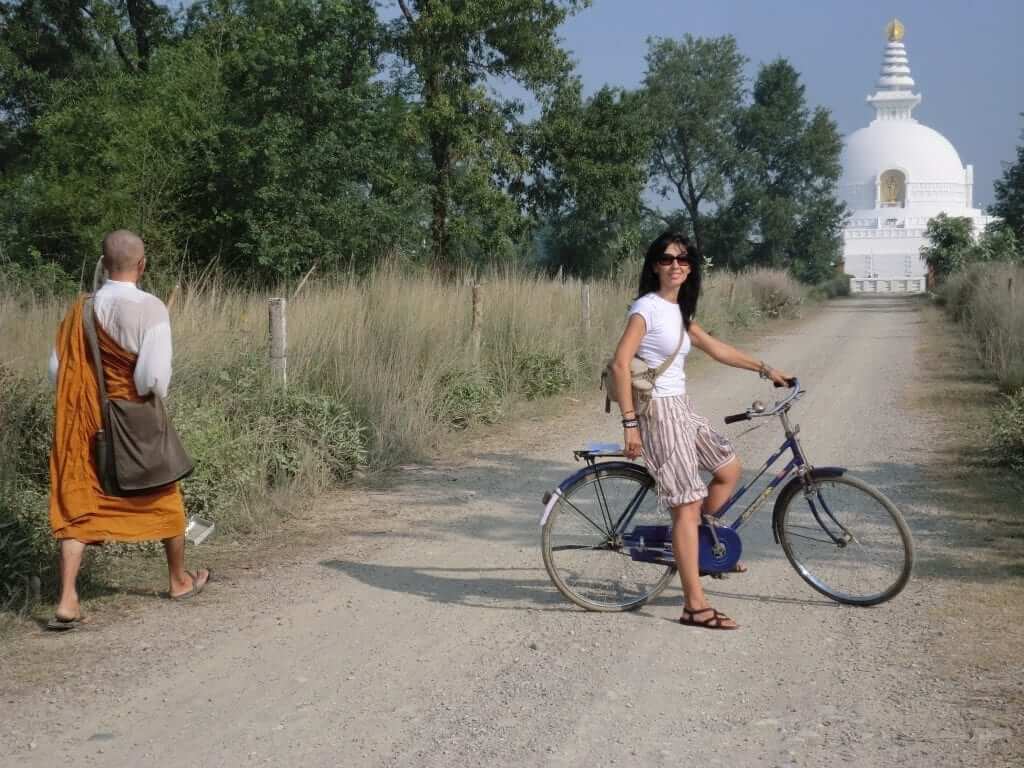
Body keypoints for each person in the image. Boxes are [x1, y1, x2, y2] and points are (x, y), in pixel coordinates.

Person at [610, 231, 791, 630]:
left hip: (683, 408)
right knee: (687, 505)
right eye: (667, 258)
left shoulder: (678, 311)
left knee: (728, 469)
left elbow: (717, 348)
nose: (676, 265)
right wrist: (629, 424)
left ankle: (699, 546)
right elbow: (620, 365)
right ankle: (694, 604)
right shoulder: (647, 308)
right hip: (658, 411)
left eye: (683, 259)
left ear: (690, 267)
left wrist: (766, 369)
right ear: (655, 265)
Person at [45, 230, 209, 631]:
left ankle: (67, 597)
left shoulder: (78, 311)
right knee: (163, 493)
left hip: (85, 422)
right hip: (133, 417)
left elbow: (57, 371)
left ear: (103, 263)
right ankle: (178, 580)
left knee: (80, 502)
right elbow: (153, 378)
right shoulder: (151, 308)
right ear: (142, 264)